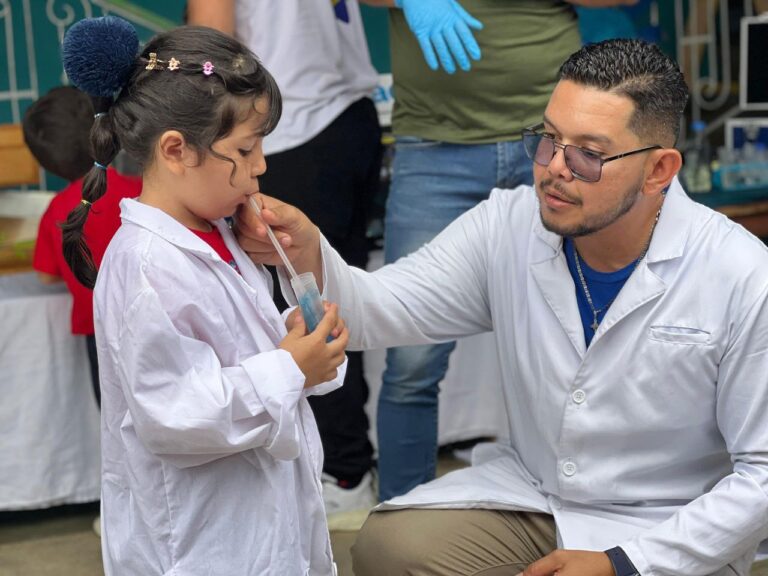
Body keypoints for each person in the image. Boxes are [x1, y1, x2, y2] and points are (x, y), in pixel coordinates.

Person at [238, 39, 768, 575]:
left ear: (659, 170)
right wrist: (307, 250)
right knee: (390, 548)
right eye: (548, 139)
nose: (555, 168)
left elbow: (763, 474)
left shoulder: (739, 272)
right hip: (540, 498)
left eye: (588, 153)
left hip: (669, 525)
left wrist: (622, 565)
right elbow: (382, 308)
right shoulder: (509, 225)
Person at [60, 16, 349, 575]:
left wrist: (301, 339)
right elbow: (175, 415)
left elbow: (243, 354)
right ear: (176, 150)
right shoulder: (143, 267)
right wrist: (290, 367)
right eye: (245, 148)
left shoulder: (221, 234)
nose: (261, 166)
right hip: (199, 545)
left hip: (259, 524)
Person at [358, 0, 636, 501]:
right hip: (435, 147)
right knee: (411, 362)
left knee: (608, 334)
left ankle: (610, 514)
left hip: (562, 143)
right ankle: (400, 526)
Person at [187, 0, 381, 515]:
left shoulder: (249, 154)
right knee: (327, 294)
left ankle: (341, 470)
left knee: (303, 305)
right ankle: (347, 464)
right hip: (351, 121)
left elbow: (211, 49)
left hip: (293, 126)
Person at [25, 86, 142, 409]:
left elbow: (46, 276)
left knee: (115, 420)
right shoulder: (140, 190)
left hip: (101, 332)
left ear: (46, 162)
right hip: (154, 321)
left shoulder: (57, 211)